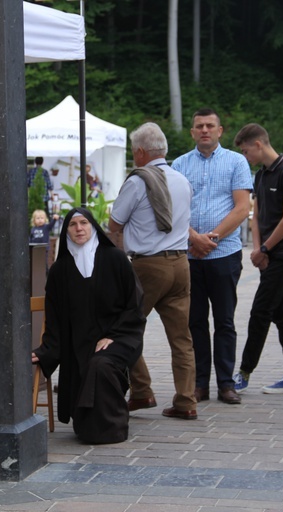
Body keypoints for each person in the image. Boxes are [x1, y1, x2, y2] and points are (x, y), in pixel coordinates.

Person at [32, 208, 146, 444]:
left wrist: (114, 335)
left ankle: (112, 426)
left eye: (84, 223)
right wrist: (46, 352)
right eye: (73, 225)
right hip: (78, 343)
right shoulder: (59, 271)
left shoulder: (115, 258)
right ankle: (88, 425)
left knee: (100, 364)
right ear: (66, 231)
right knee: (89, 361)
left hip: (120, 338)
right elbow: (54, 320)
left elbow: (134, 304)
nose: (79, 229)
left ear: (93, 227)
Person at [109, 122, 197, 420]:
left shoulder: (137, 181)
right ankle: (186, 401)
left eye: (134, 152)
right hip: (181, 264)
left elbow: (115, 223)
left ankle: (143, 390)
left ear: (142, 152)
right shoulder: (182, 180)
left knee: (123, 327)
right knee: (181, 337)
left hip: (148, 265)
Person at [172, 108, 253, 405]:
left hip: (224, 254)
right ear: (192, 132)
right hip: (189, 255)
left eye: (210, 126)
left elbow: (242, 208)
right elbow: (173, 209)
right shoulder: (179, 165)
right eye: (199, 126)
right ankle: (200, 384)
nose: (204, 130)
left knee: (224, 321)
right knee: (194, 322)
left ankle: (226, 383)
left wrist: (212, 238)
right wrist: (194, 237)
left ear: (220, 131)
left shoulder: (236, 161)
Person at [233, 123, 283, 393]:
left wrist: (264, 250)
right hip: (268, 253)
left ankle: (243, 373)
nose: (245, 156)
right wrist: (258, 250)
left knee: (261, 311)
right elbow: (257, 217)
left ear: (258, 145)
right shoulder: (261, 176)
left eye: (245, 151)